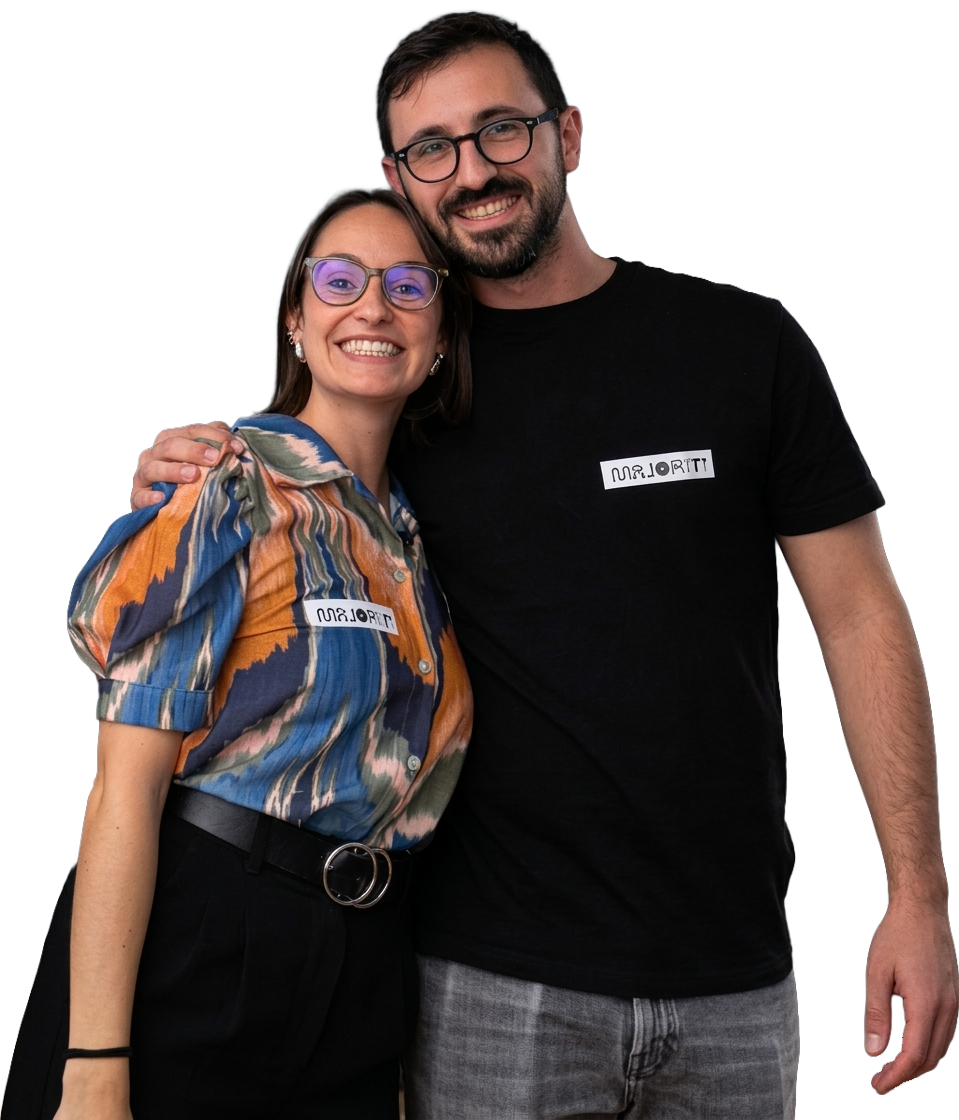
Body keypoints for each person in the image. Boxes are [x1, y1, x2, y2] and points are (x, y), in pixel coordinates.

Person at [126, 12, 957, 1120]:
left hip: (738, 980)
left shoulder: (740, 348)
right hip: (485, 984)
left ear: (566, 132)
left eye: (500, 130)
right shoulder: (403, 377)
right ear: (399, 177)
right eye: (432, 148)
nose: (470, 171)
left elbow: (860, 615)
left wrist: (916, 892)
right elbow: (283, 475)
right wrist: (190, 461)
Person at [7, 188, 473, 1120]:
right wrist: (95, 1062)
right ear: (296, 320)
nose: (373, 306)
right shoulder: (229, 489)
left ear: (437, 337)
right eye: (340, 281)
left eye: (407, 285)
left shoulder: (414, 540)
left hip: (364, 970)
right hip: (201, 940)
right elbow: (124, 793)